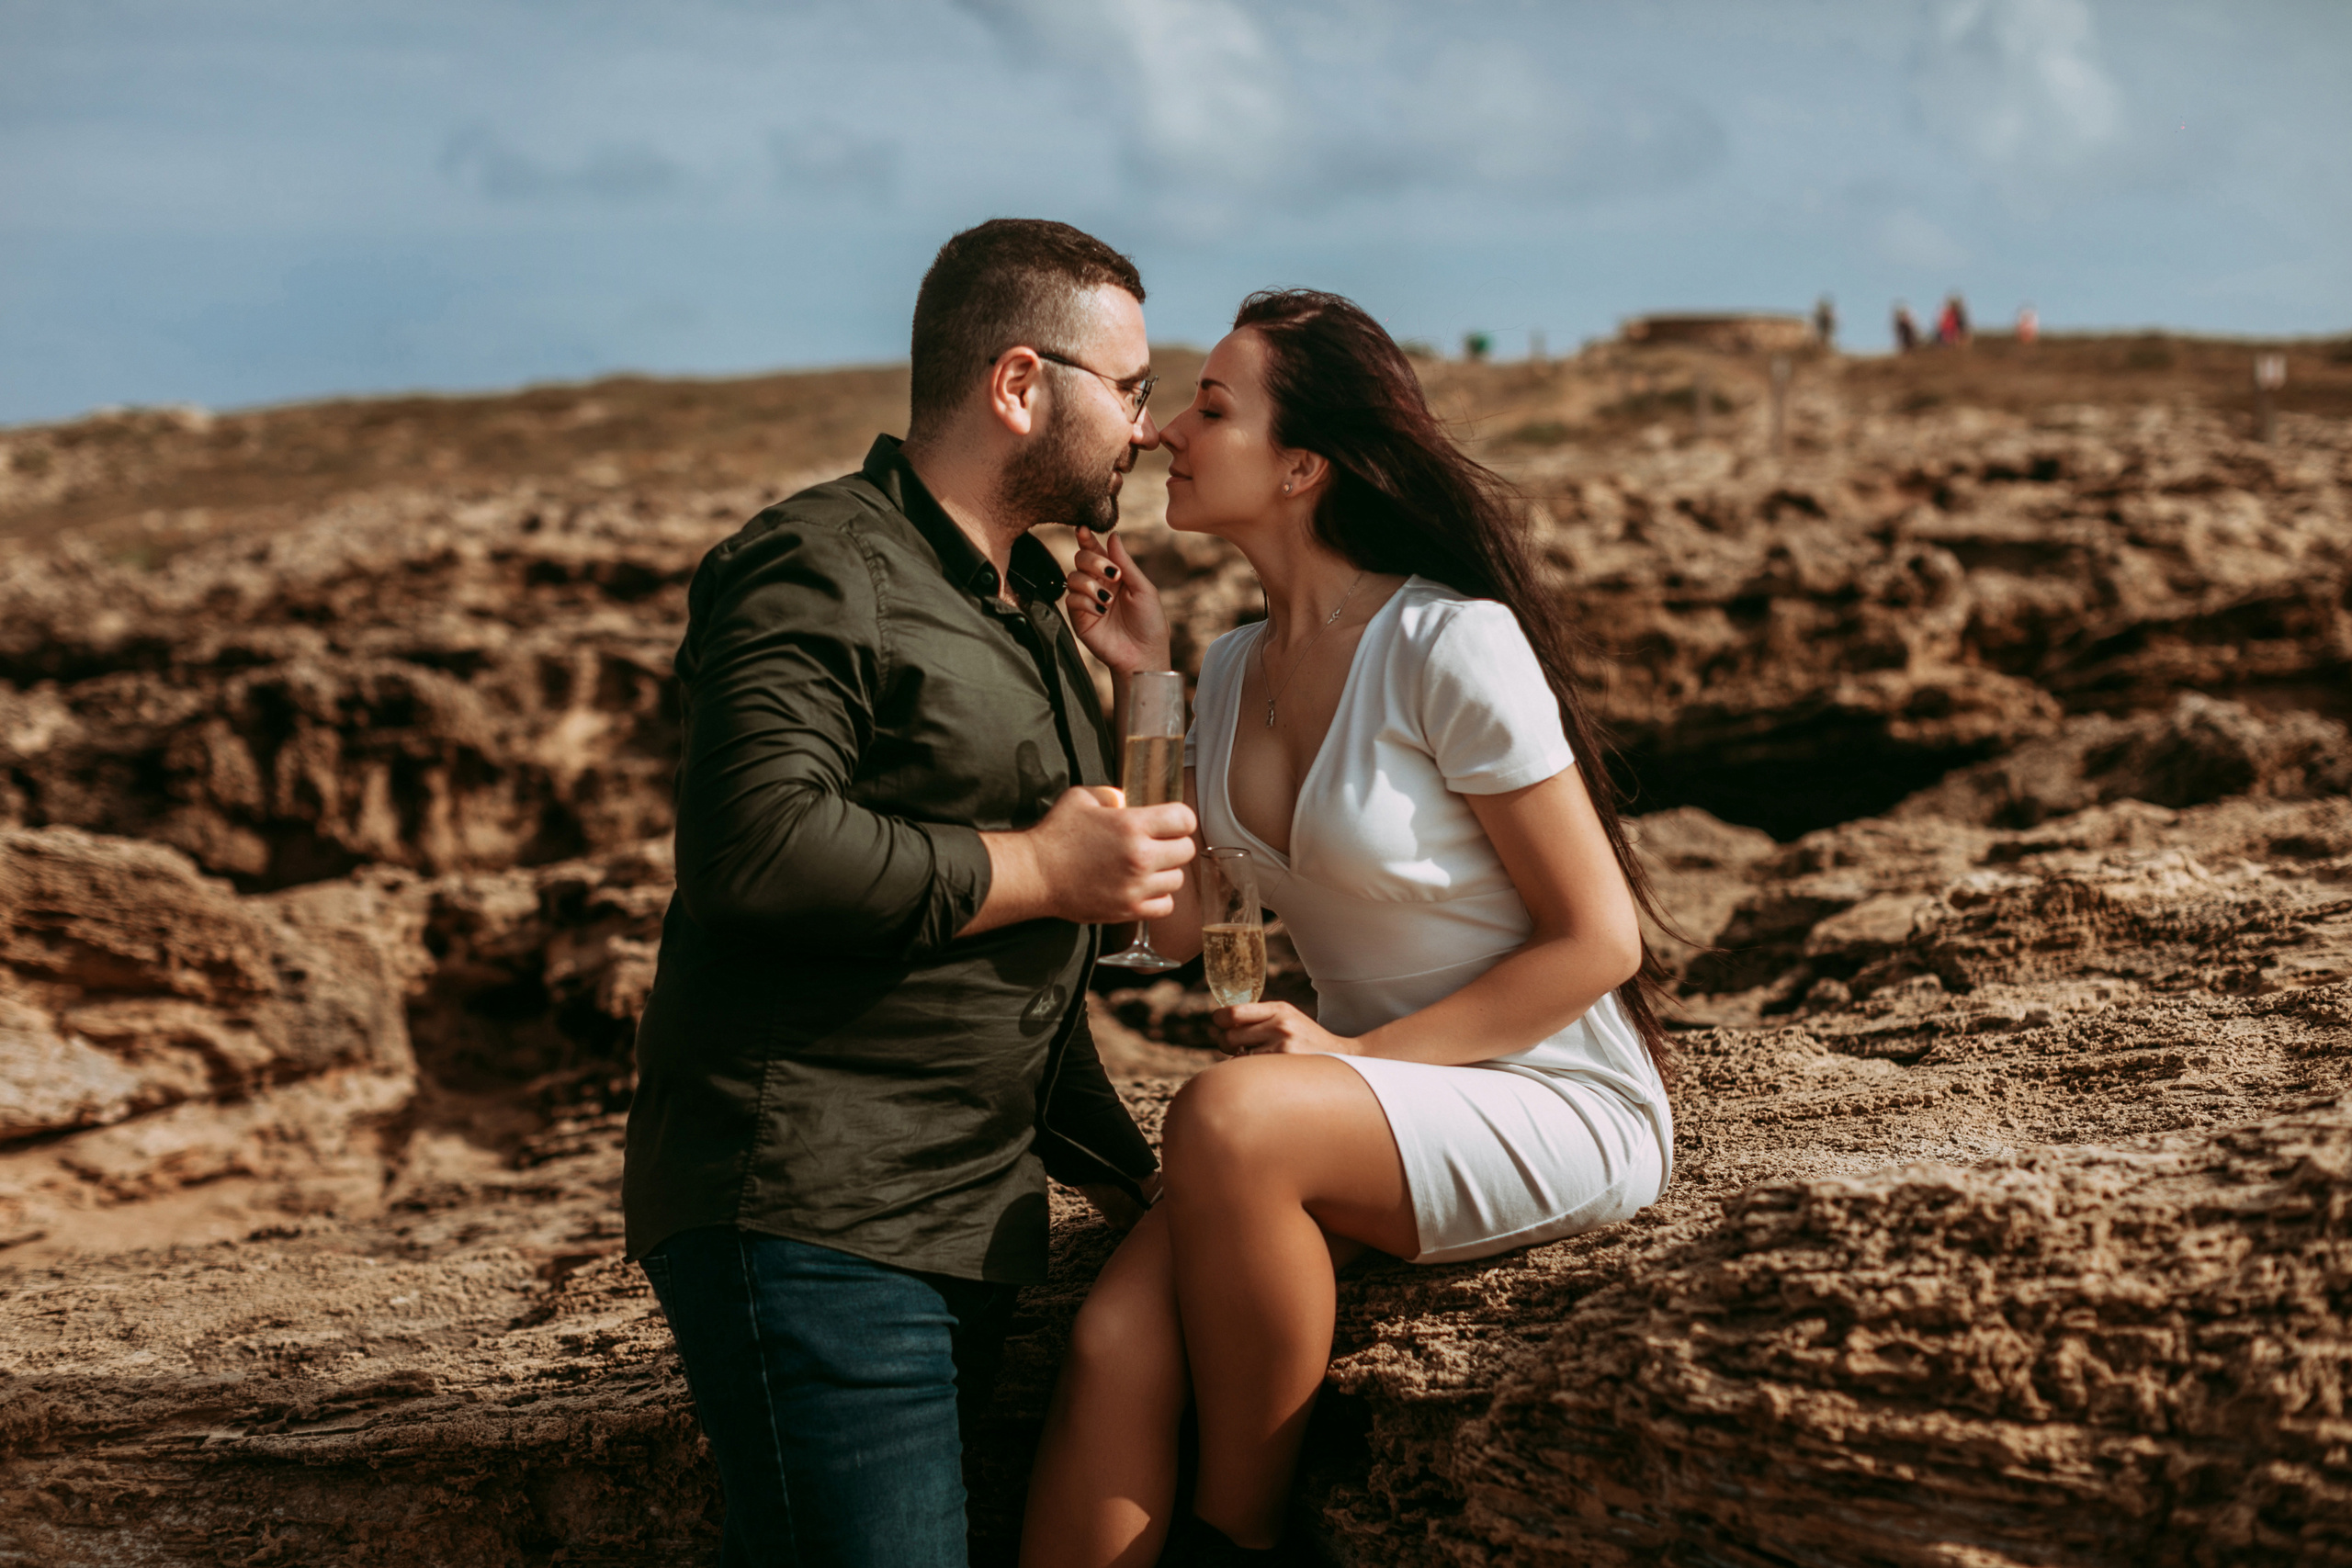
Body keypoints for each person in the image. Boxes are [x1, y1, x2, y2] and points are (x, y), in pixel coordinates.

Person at [1021, 289, 1677, 1566]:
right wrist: (1144, 685)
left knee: (1220, 1120)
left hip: (1550, 1091)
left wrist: (1351, 1060)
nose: (1167, 438)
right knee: (1110, 1340)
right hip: (1353, 1104)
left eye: (1212, 409)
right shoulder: (1226, 669)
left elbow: (1599, 941)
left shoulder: (1448, 642)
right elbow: (1205, 939)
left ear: (1304, 464)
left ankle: (1242, 1541)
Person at [623, 218, 1196, 1568]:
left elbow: (1111, 894)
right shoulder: (819, 561)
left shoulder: (1025, 603)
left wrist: (1145, 685)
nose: (1148, 429)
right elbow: (755, 852)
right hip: (817, 1210)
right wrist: (1040, 864)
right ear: (1018, 385)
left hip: (964, 1211)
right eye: (1130, 388)